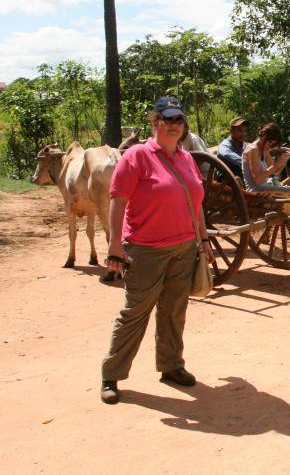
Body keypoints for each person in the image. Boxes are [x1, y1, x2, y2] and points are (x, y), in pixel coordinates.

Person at [100, 96, 214, 405]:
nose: (174, 125)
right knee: (136, 312)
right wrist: (113, 246)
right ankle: (111, 374)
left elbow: (197, 204)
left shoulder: (187, 158)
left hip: (184, 247)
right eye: (168, 119)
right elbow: (118, 201)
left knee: (174, 310)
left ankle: (171, 365)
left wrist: (203, 241)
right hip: (145, 249)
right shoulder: (137, 156)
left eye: (179, 120)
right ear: (155, 122)